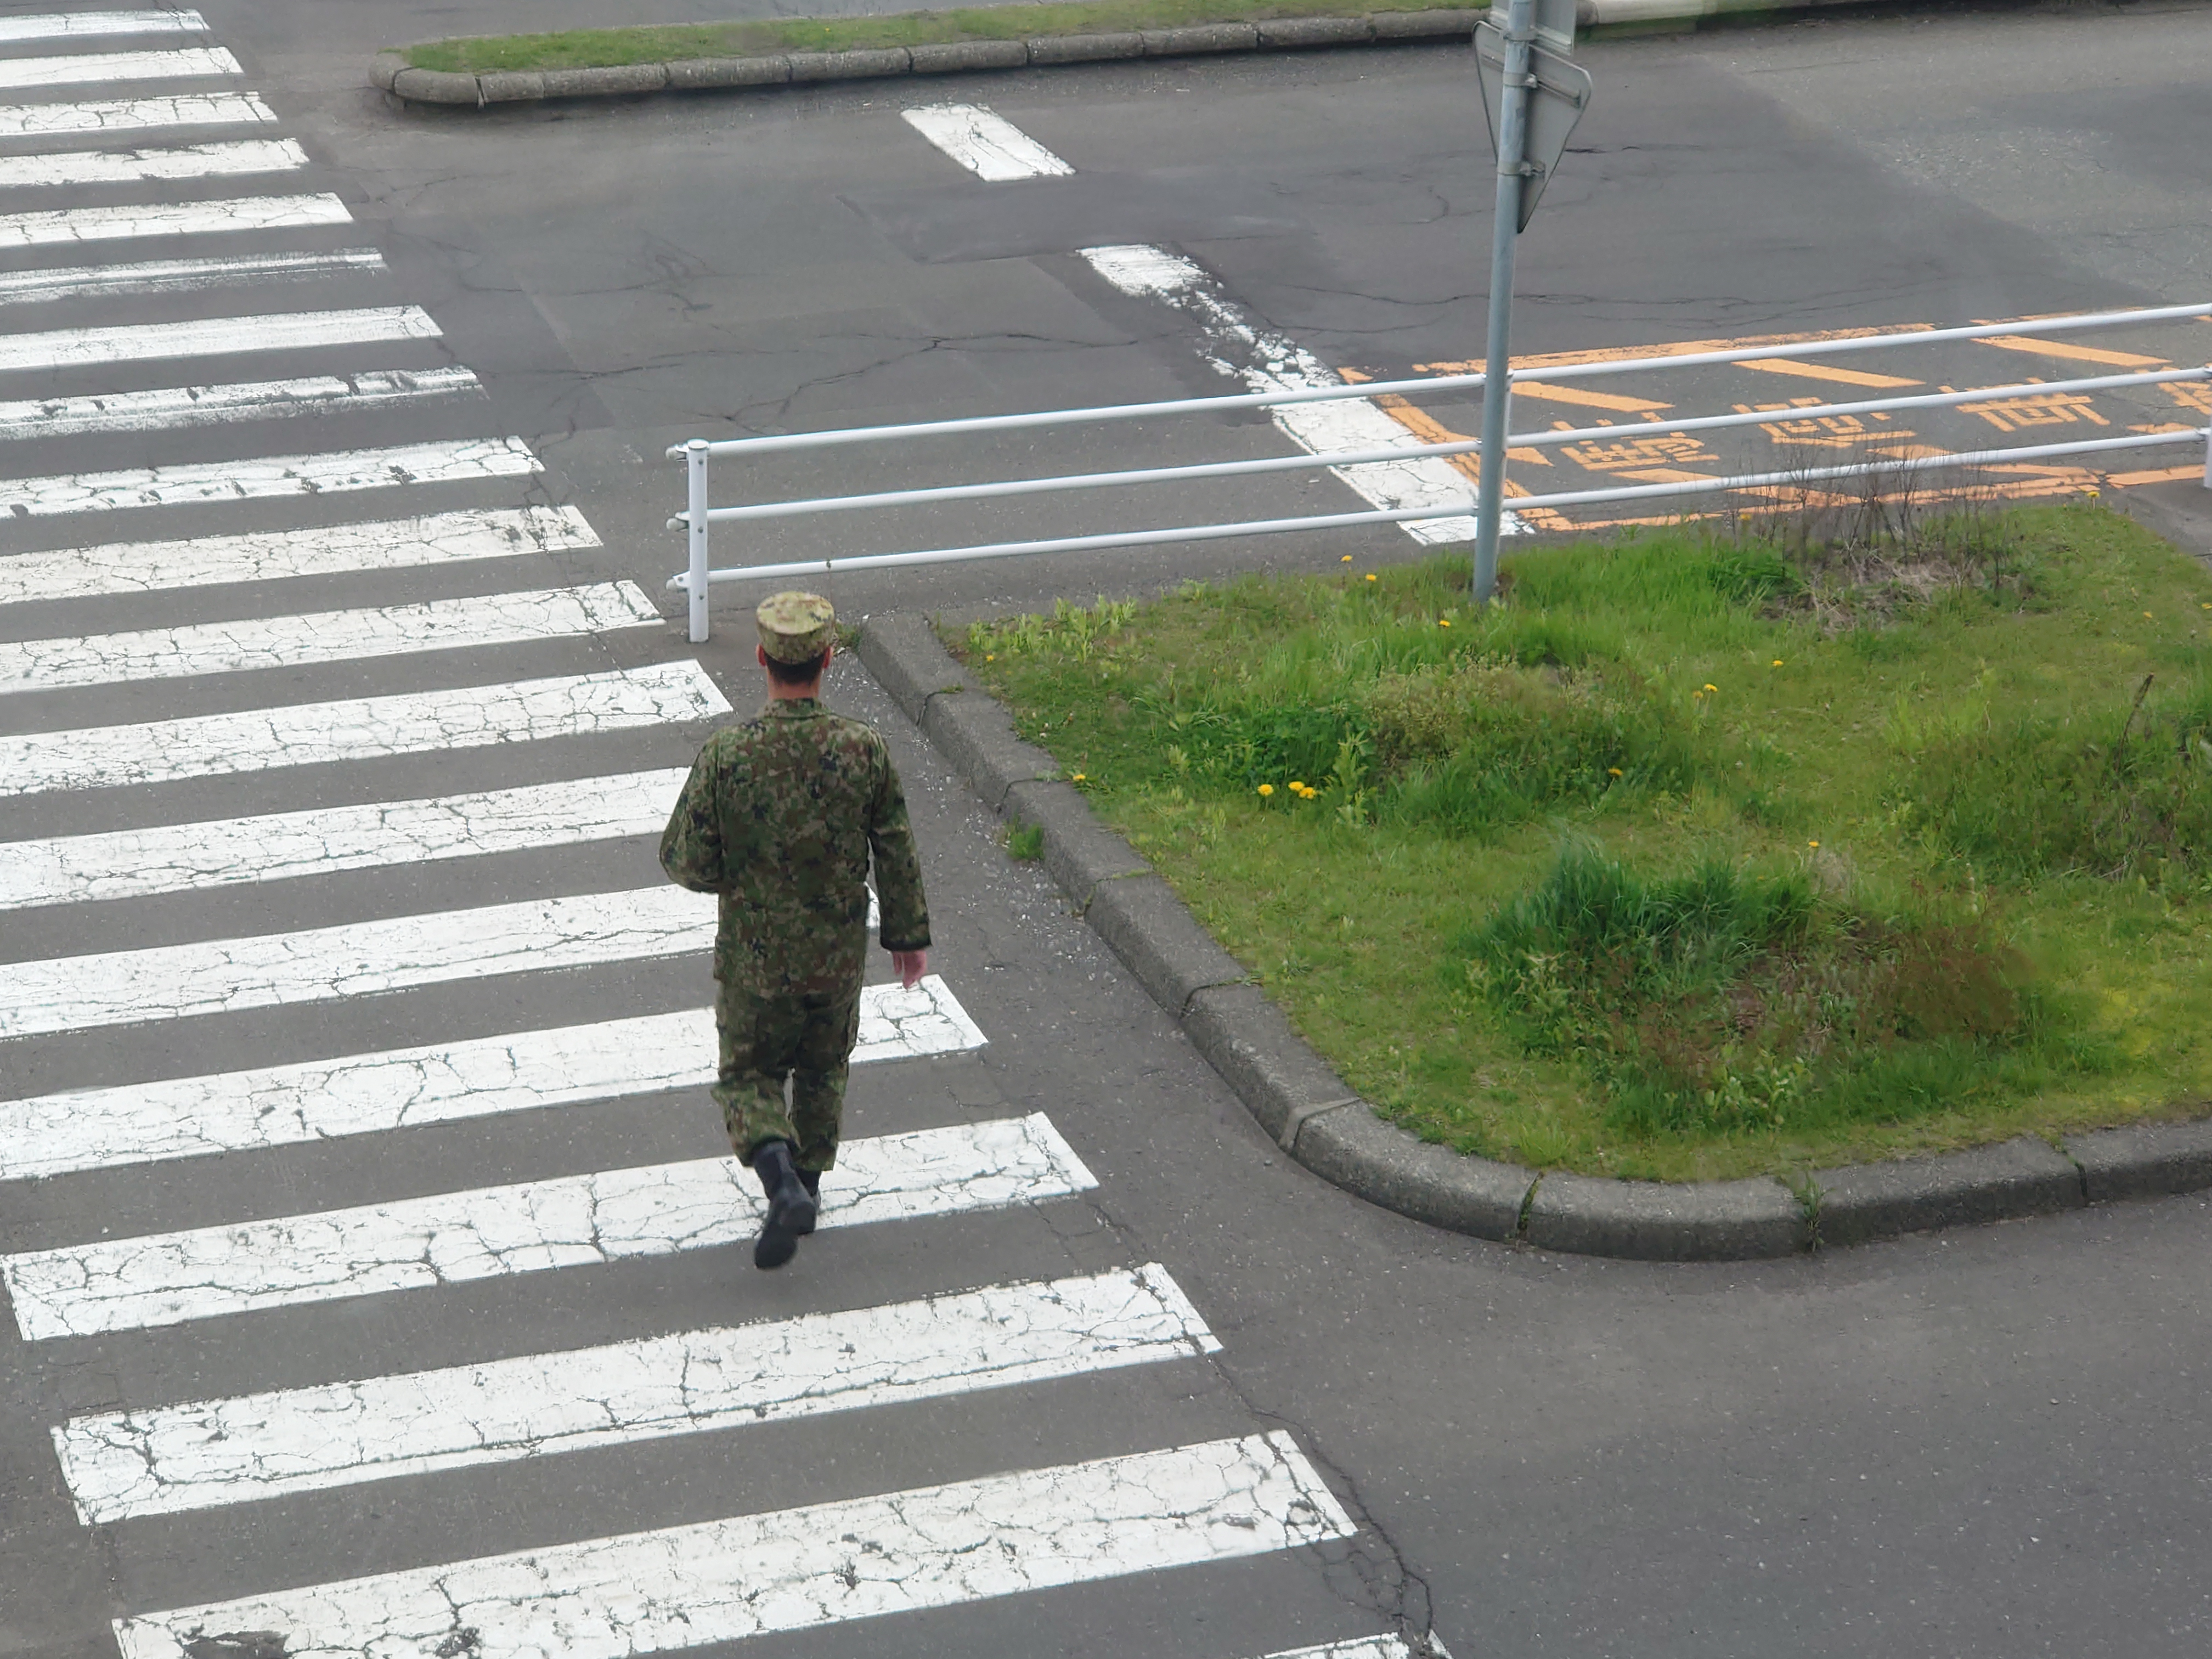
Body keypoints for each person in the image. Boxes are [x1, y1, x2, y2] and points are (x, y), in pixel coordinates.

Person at [659, 591, 931, 1271]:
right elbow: (893, 845)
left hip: (754, 958)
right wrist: (906, 935)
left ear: (761, 658)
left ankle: (778, 1177)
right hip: (834, 954)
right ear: (829, 658)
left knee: (749, 1074)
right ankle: (807, 1187)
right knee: (821, 1070)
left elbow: (683, 858)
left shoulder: (728, 757)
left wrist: (734, 877)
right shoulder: (862, 749)